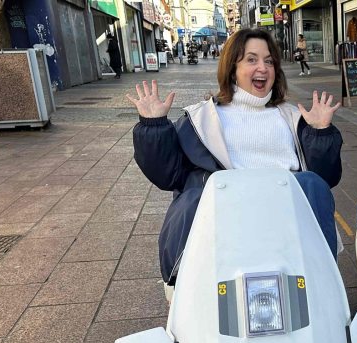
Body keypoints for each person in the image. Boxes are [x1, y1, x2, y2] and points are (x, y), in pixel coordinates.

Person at [127, 28, 343, 295]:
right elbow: (168, 175)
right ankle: (186, 293)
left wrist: (320, 134)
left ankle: (325, 287)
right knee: (194, 195)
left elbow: (326, 179)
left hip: (288, 223)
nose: (262, 68)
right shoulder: (202, 118)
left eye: (269, 60)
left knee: (312, 182)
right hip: (224, 224)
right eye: (251, 59)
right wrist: (154, 127)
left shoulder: (295, 118)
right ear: (232, 68)